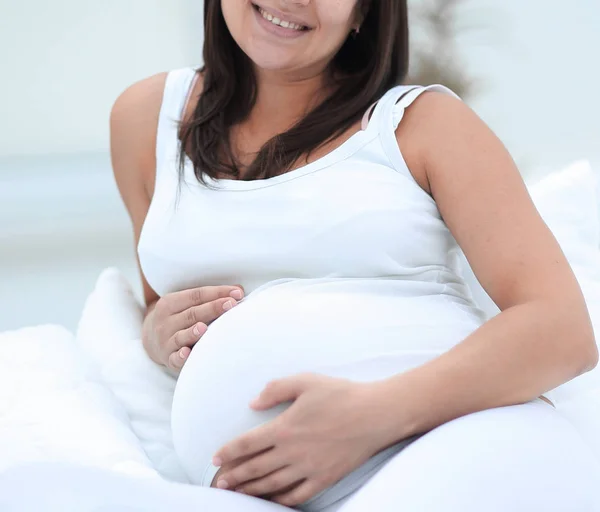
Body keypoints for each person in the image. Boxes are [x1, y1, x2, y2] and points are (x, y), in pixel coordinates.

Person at [3, 1, 598, 511]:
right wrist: (159, 333)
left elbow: (561, 332)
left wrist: (373, 416)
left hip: (461, 445)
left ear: (367, 8)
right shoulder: (147, 118)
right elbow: (164, 300)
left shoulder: (423, 125)